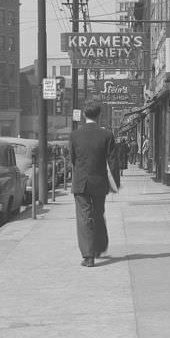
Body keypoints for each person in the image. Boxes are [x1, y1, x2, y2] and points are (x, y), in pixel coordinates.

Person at [70, 99, 117, 267]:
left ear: (84, 114)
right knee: (98, 214)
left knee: (84, 217)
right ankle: (100, 246)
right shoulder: (107, 135)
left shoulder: (75, 135)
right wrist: (115, 183)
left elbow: (73, 159)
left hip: (81, 182)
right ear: (99, 115)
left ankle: (88, 256)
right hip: (100, 182)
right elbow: (113, 162)